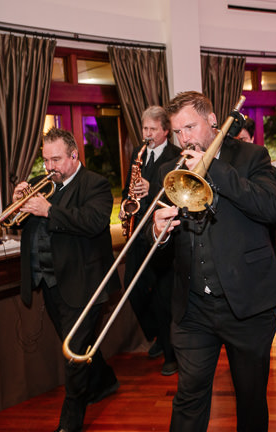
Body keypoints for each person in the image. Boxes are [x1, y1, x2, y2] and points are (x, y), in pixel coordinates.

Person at [152, 91, 276, 432]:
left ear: (212, 120)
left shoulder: (251, 156)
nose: (184, 138)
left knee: (251, 398)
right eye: (177, 132)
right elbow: (155, 246)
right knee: (189, 396)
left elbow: (273, 210)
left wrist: (214, 167)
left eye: (190, 127)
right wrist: (158, 232)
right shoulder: (170, 171)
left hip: (247, 305)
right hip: (193, 308)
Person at [16, 127, 120, 432]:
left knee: (73, 350)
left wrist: (49, 211)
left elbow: (94, 222)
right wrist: (19, 204)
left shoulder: (95, 184)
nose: (50, 167)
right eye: (46, 160)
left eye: (57, 159)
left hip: (84, 281)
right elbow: (23, 225)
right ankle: (105, 381)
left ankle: (70, 422)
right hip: (50, 281)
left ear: (74, 156)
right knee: (76, 342)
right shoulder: (43, 183)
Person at [119, 106, 181, 376]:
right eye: (145, 128)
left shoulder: (176, 155)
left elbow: (177, 193)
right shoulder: (138, 153)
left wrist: (152, 188)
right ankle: (156, 334)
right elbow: (128, 189)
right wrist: (125, 205)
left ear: (166, 130)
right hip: (138, 232)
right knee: (133, 289)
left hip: (163, 235)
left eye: (153, 129)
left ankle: (171, 355)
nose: (147, 134)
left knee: (163, 297)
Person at [234, 116, 276, 253]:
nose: (238, 145)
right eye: (234, 140)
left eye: (242, 139)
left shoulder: (273, 173)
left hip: (262, 247)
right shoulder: (225, 172)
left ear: (252, 139)